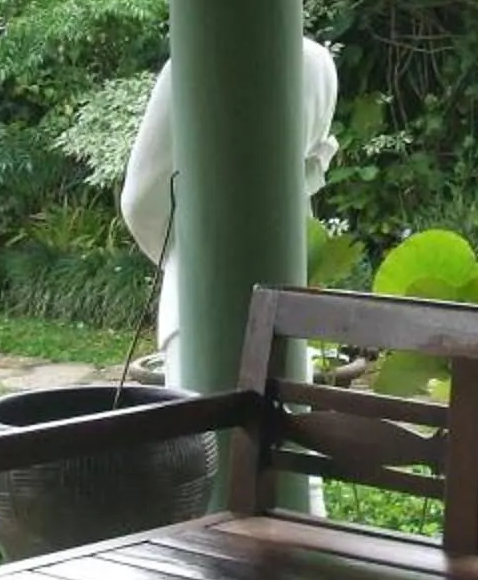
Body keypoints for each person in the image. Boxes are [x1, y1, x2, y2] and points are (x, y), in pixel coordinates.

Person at [121, 37, 340, 377]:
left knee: (204, 421)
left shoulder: (192, 65)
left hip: (201, 289)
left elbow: (140, 198)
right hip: (290, 261)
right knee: (284, 411)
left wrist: (178, 253)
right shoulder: (319, 62)